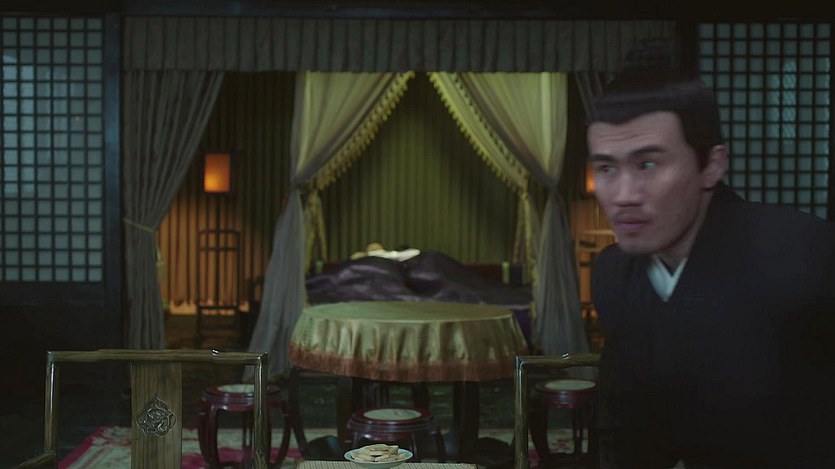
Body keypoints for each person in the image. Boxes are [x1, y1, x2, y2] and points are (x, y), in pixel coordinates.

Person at [587, 71, 835, 468]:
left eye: (648, 164)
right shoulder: (615, 275)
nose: (624, 196)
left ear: (712, 165)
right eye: (606, 168)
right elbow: (628, 426)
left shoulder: (805, 257)